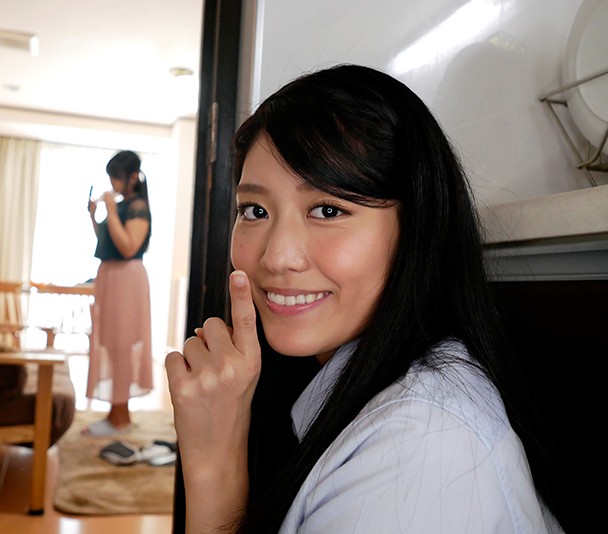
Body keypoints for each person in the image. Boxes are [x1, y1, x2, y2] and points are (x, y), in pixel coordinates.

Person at [165, 65, 569, 532]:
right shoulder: (331, 385)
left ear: (415, 229)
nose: (276, 257)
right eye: (255, 210)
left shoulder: (420, 446)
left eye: (328, 210)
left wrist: (214, 465)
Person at [83, 150, 153, 436]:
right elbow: (108, 241)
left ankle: (121, 417)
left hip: (126, 279)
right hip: (111, 278)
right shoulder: (123, 205)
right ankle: (115, 413)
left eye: (117, 176)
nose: (112, 182)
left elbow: (127, 247)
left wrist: (110, 210)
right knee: (112, 346)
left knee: (122, 346)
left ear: (133, 176)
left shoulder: (137, 206)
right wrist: (94, 216)